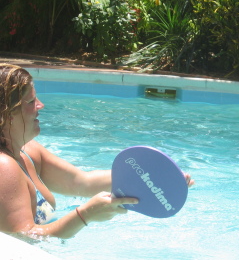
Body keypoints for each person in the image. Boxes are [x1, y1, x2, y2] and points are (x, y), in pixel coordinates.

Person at [0, 64, 194, 239]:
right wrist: (86, 215)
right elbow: (21, 238)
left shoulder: (28, 152)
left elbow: (81, 182)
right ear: (9, 114)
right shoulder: (4, 167)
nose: (40, 105)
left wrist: (151, 176)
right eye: (31, 101)